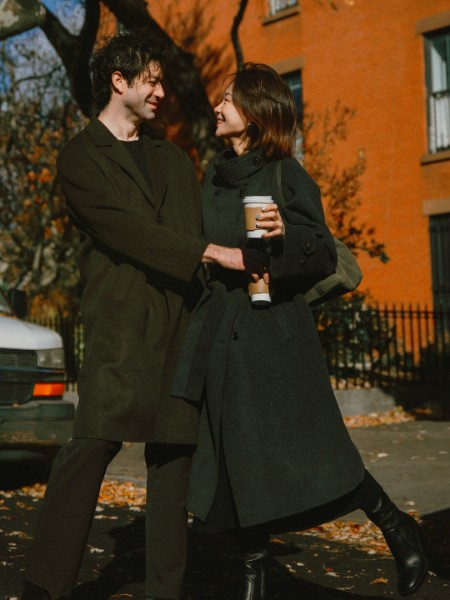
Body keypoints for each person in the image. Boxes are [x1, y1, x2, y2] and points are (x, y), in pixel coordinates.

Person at [21, 33, 267, 600]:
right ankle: (44, 586)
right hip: (120, 327)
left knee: (173, 463)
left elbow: (205, 222)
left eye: (160, 81)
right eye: (151, 81)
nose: (160, 91)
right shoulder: (80, 156)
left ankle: (165, 592)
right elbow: (127, 232)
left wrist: (265, 230)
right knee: (91, 446)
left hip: (182, 325)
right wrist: (212, 253)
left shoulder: (171, 158)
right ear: (119, 81)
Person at [171, 63, 428, 600]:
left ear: (254, 113)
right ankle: (254, 574)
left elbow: (324, 250)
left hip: (276, 338)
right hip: (224, 337)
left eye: (228, 99)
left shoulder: (285, 174)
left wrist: (286, 232)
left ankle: (394, 524)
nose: (217, 106)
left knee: (320, 454)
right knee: (240, 462)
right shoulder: (213, 178)